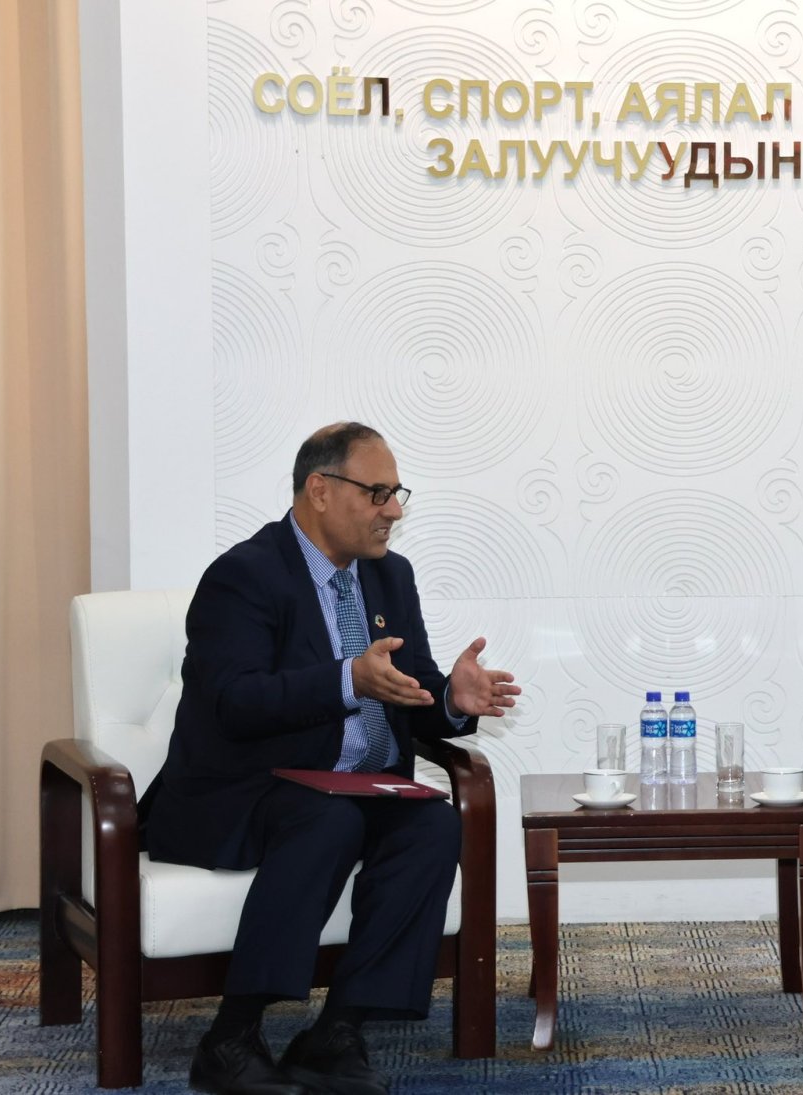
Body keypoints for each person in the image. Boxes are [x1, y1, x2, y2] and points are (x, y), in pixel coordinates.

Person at [140, 422, 521, 1095]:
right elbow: (234, 702)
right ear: (319, 490)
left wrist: (451, 699)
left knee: (433, 823)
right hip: (247, 788)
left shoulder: (390, 576)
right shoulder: (244, 576)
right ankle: (230, 1037)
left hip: (358, 787)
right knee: (328, 819)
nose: (393, 510)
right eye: (377, 493)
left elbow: (409, 690)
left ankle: (337, 1031)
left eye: (397, 493)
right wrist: (348, 680)